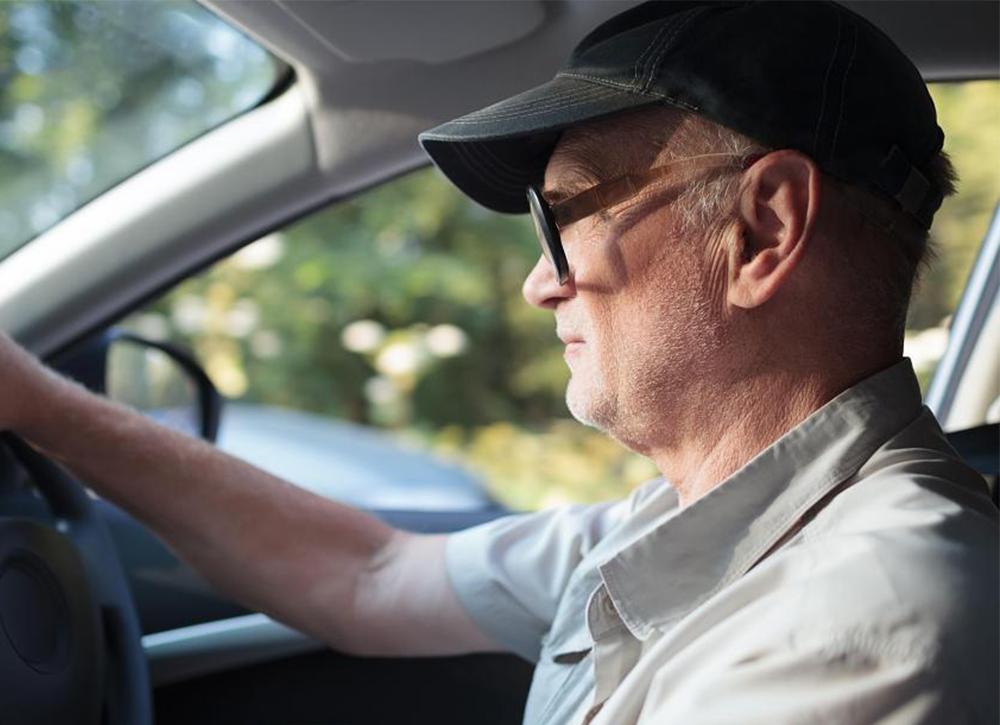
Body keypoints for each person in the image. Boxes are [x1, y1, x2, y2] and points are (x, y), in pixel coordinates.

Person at [0, 1, 996, 723]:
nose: (538, 282)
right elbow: (367, 572)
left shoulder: (870, 613)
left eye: (564, 214)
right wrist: (37, 401)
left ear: (762, 230)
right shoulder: (698, 522)